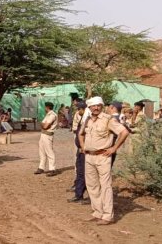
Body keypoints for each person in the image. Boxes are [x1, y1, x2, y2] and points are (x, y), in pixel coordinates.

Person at [78, 96, 129, 225]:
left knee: (105, 186)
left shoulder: (108, 120)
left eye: (98, 106)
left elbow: (124, 132)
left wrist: (114, 148)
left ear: (102, 106)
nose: (96, 108)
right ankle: (97, 212)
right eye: (93, 106)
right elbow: (80, 133)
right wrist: (83, 146)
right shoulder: (88, 120)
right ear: (89, 108)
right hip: (89, 156)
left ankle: (107, 216)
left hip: (103, 157)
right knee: (92, 186)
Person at [68, 100, 88, 203]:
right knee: (80, 173)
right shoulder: (83, 119)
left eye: (79, 109)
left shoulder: (88, 120)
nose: (78, 111)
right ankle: (78, 194)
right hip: (80, 151)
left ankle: (90, 196)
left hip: (85, 152)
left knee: (85, 174)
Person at [35, 102, 59, 176]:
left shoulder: (52, 115)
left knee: (49, 152)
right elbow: (43, 124)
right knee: (41, 152)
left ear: (47, 107)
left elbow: (45, 126)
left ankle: (52, 169)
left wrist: (42, 124)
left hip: (48, 135)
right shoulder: (48, 115)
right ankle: (41, 167)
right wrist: (43, 124)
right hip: (43, 134)